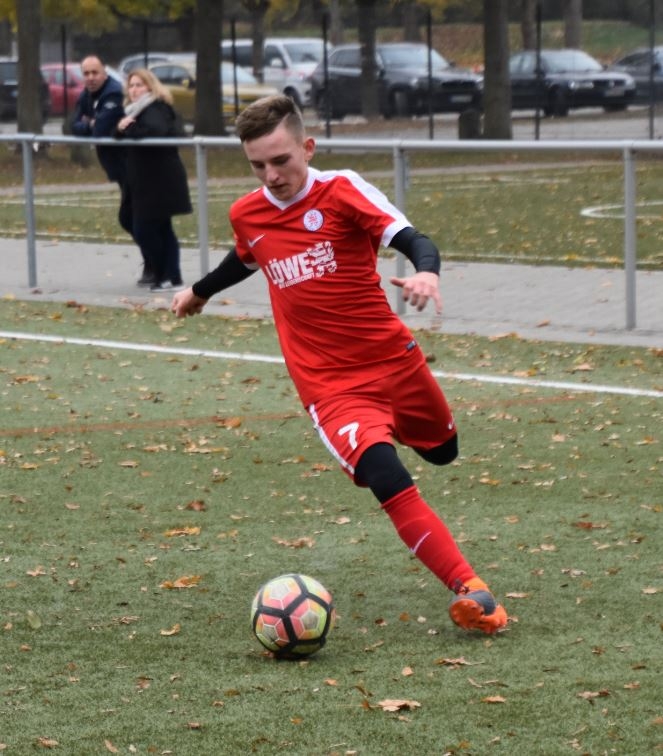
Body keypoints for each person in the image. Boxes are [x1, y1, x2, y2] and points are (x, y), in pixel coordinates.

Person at [171, 95, 507, 634]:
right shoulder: (247, 213)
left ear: (307, 147)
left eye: (281, 160)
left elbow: (412, 238)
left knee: (444, 452)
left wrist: (427, 272)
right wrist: (200, 290)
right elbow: (247, 254)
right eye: (258, 165)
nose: (272, 175)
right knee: (385, 475)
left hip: (393, 361)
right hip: (330, 387)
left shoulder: (342, 191)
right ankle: (472, 590)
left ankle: (402, 432)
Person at [71, 55, 151, 286]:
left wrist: (91, 124)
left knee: (132, 217)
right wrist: (90, 124)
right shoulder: (87, 95)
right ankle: (154, 262)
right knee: (131, 218)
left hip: (133, 166)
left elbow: (101, 131)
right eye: (86, 73)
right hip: (119, 169)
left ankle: (155, 263)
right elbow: (73, 125)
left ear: (104, 73)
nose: (90, 77)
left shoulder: (113, 93)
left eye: (94, 72)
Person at [113, 69, 191, 292]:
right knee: (160, 228)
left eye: (139, 85)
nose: (134, 90)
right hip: (145, 180)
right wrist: (121, 128)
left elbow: (154, 131)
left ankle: (164, 274)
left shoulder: (155, 107)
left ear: (150, 86)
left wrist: (128, 127)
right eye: (131, 85)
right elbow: (119, 132)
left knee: (144, 228)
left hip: (160, 180)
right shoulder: (135, 111)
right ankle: (171, 277)